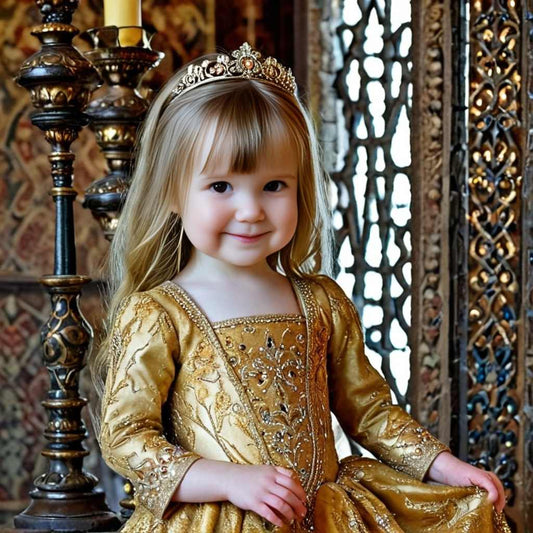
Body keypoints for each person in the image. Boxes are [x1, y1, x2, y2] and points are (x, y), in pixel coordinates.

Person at [91, 43, 510, 532]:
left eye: (274, 186)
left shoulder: (320, 301)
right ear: (171, 192)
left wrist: (445, 466)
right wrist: (226, 479)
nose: (250, 210)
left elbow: (369, 410)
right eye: (221, 187)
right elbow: (125, 435)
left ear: (300, 187)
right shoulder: (160, 312)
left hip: (327, 516)